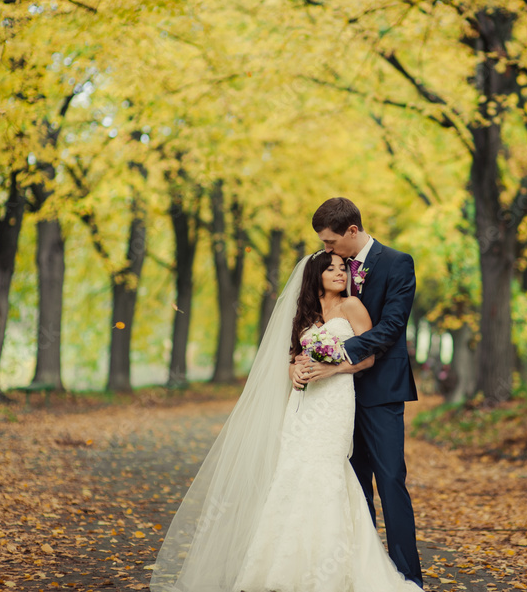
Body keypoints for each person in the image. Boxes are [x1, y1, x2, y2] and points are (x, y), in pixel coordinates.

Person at [149, 249, 420, 592]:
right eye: (331, 269)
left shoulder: (352, 306)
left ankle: (334, 570)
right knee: (293, 472)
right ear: (315, 276)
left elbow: (368, 359)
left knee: (327, 471)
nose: (340, 273)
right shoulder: (303, 312)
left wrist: (331, 368)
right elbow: (293, 355)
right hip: (303, 405)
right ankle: (283, 566)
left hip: (335, 401)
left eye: (342, 268)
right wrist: (295, 371)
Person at [293, 197, 423, 587]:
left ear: (352, 231)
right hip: (333, 402)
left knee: (390, 481)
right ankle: (361, 573)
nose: (327, 250)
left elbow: (391, 327)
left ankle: (406, 577)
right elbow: (307, 319)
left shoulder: (398, 263)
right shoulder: (329, 268)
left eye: (332, 242)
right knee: (350, 486)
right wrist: (299, 361)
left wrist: (337, 354)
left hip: (380, 391)